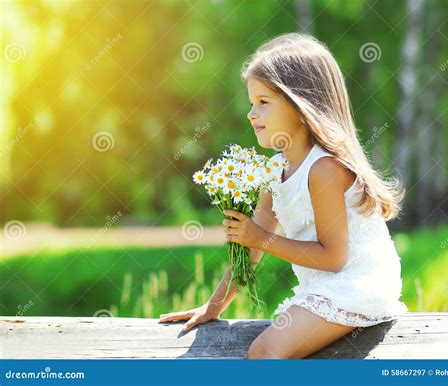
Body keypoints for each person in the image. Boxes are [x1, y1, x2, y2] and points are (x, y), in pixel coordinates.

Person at [159, 32, 408, 359]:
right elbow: (250, 248)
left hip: (358, 284)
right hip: (324, 285)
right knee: (263, 351)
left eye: (264, 102)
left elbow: (333, 258)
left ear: (302, 105)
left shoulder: (323, 169)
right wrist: (213, 305)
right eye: (252, 102)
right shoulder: (275, 169)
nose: (251, 113)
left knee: (265, 352)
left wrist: (260, 238)